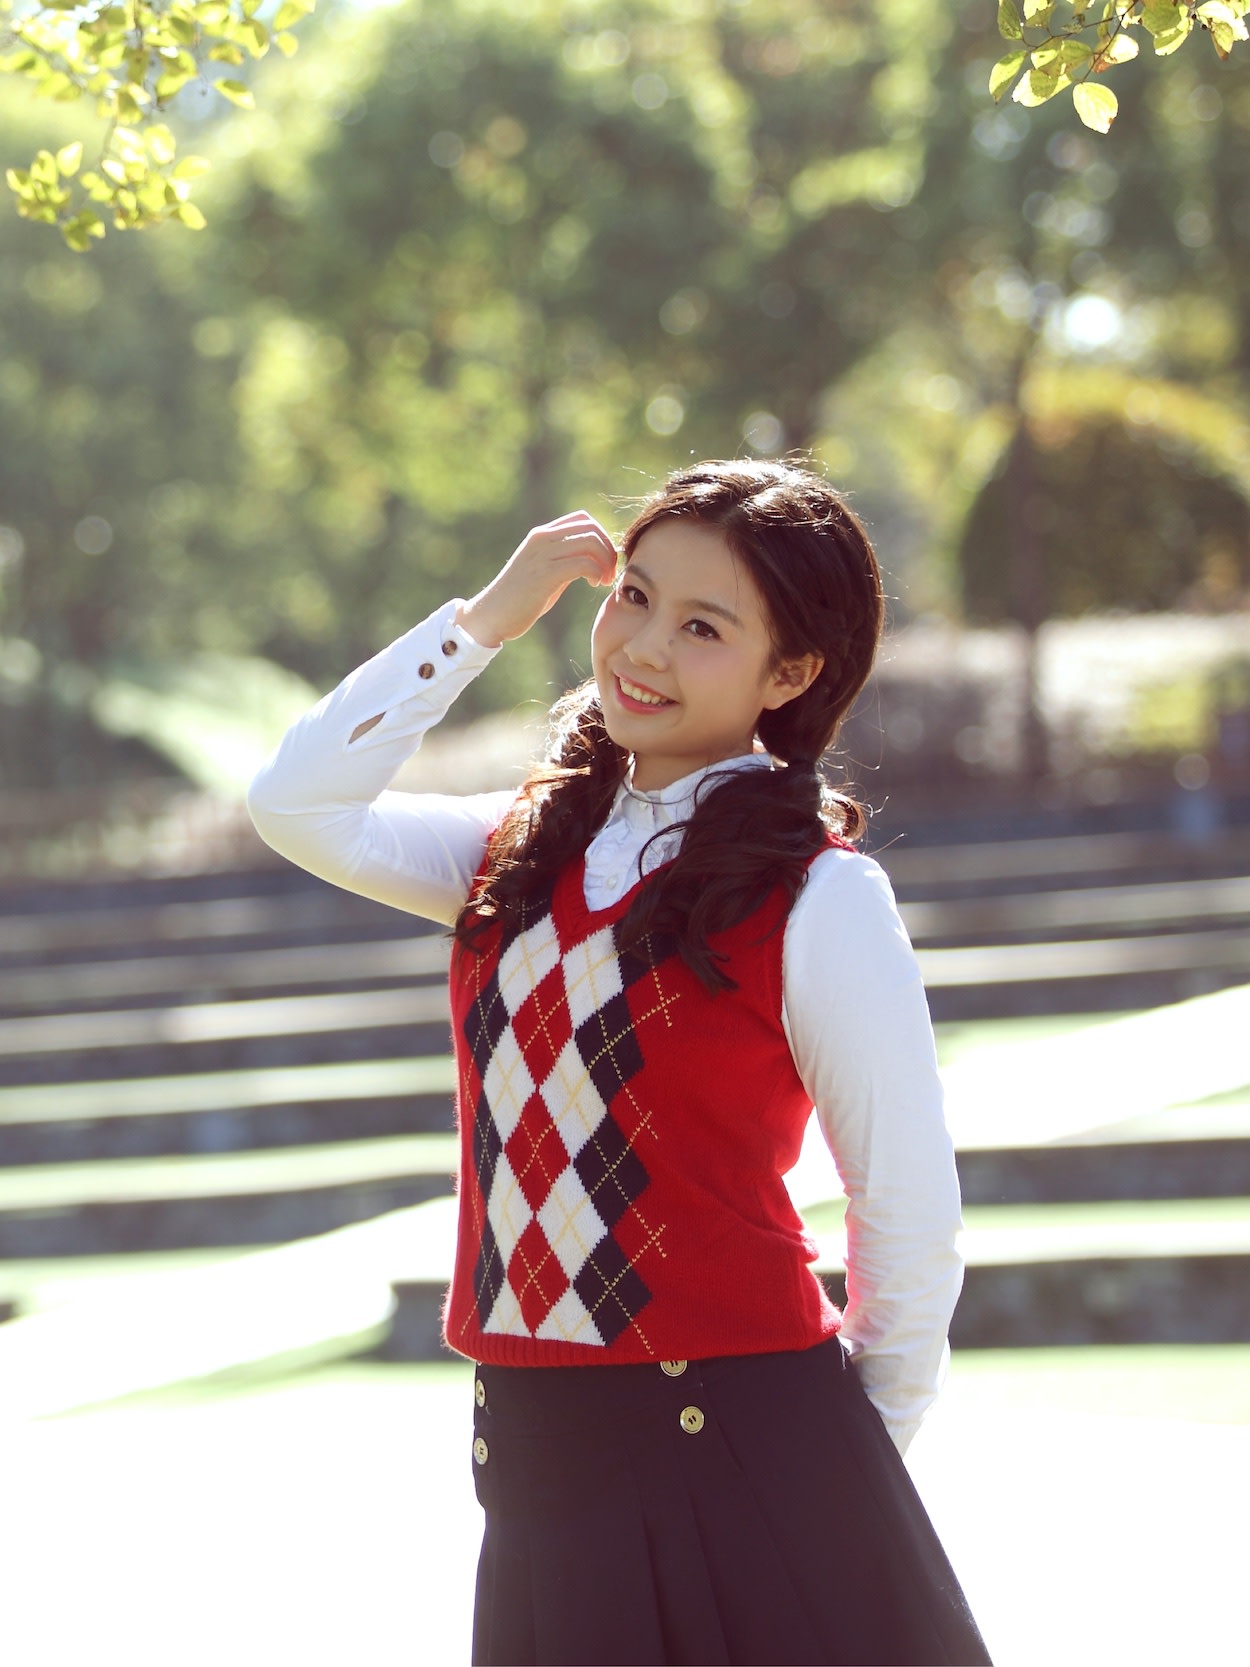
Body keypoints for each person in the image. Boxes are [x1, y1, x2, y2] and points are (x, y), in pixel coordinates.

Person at [248, 459, 991, 1667]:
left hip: (760, 1452)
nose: (641, 646)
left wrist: (844, 1472)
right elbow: (296, 804)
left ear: (789, 672)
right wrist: (487, 618)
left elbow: (905, 1213)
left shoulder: (821, 894)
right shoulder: (509, 849)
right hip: (538, 1464)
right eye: (633, 596)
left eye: (702, 626)